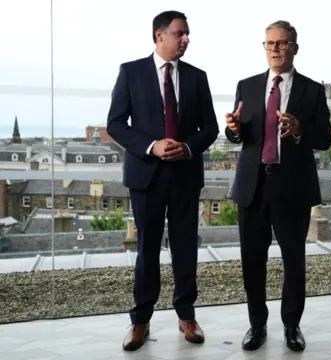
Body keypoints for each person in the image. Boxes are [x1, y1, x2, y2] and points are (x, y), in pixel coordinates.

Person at [106, 10, 218, 352]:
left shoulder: (197, 77)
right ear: (159, 36)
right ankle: (140, 320)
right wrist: (152, 146)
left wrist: (186, 147)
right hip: (146, 177)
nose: (186, 39)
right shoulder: (131, 72)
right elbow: (115, 124)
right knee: (147, 251)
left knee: (186, 250)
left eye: (187, 34)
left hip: (185, 177)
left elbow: (210, 128)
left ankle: (186, 316)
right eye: (180, 34)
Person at [225, 20, 331, 352]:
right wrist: (232, 129)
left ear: (294, 48)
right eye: (270, 43)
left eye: (282, 43)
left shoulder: (312, 90)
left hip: (292, 188)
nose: (275, 49)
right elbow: (238, 136)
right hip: (253, 187)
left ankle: (291, 325)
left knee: (294, 262)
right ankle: (256, 325)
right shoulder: (248, 86)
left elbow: (325, 139)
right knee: (252, 261)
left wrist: (300, 128)